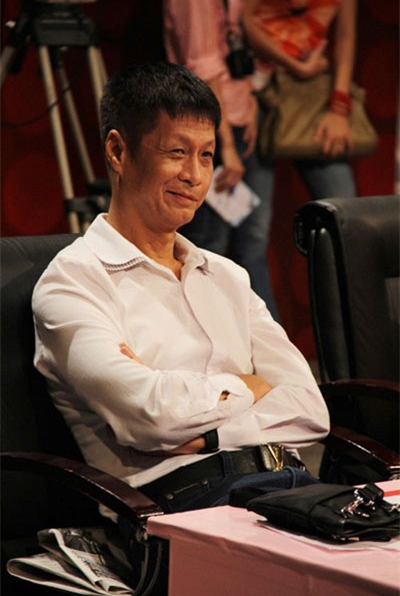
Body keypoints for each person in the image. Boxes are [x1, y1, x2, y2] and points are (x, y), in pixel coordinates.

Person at [32, 62, 329, 522]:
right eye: (177, 152)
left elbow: (310, 409)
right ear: (118, 151)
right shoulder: (73, 282)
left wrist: (209, 433)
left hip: (290, 484)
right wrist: (250, 385)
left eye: (206, 155)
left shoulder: (227, 276)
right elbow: (151, 416)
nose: (194, 175)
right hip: (183, 507)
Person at [163, 0, 279, 319]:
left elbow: (244, 42)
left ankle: (264, 341)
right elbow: (203, 69)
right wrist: (223, 145)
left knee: (253, 241)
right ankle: (201, 333)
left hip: (244, 119)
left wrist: (252, 100)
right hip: (211, 128)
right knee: (206, 244)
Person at [242, 0, 358, 196]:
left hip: (311, 91)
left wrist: (339, 107)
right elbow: (244, 21)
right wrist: (299, 68)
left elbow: (345, 35)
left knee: (342, 202)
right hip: (257, 86)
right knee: (255, 206)